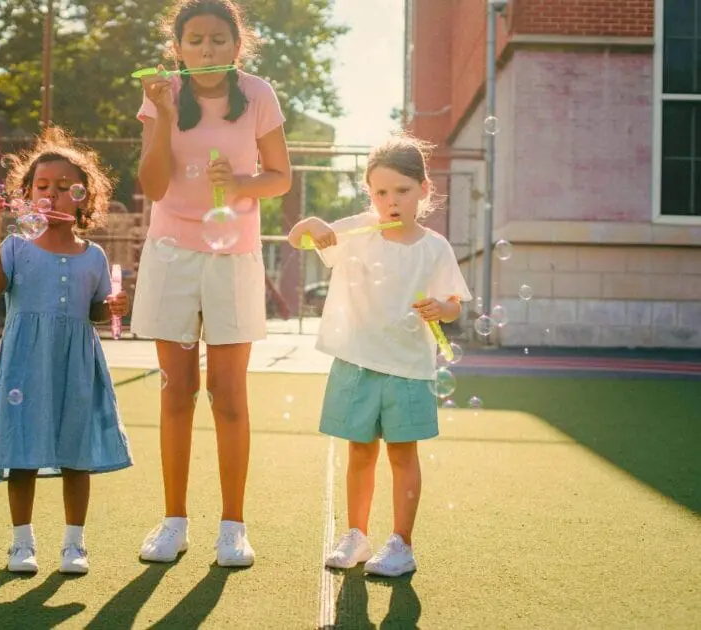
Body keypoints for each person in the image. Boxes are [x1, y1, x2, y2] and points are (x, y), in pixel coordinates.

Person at [129, 0, 292, 567]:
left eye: (218, 39)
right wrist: (163, 117)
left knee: (228, 395)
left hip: (233, 254)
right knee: (177, 391)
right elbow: (151, 186)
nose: (206, 49)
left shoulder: (259, 94)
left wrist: (243, 181)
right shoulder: (162, 96)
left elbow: (280, 178)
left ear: (236, 44)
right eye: (194, 40)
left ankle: (233, 526)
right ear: (177, 47)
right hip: (172, 253)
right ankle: (174, 522)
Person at [288, 133, 472, 576]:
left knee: (403, 455)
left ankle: (402, 544)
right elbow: (299, 240)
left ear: (424, 190)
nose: (391, 201)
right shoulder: (355, 232)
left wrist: (441, 308)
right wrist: (311, 224)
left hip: (409, 368)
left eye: (402, 191)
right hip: (357, 363)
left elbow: (454, 304)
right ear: (370, 195)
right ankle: (356, 535)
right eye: (381, 192)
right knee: (359, 452)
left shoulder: (435, 247)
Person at [0, 125, 133, 576]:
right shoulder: (15, 247)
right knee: (22, 451)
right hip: (26, 364)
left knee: (74, 454)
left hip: (76, 365)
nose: (53, 195)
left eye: (66, 188)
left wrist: (116, 306)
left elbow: (97, 312)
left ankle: (73, 545)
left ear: (84, 198)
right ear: (25, 196)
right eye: (42, 186)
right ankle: (21, 544)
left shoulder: (94, 256)